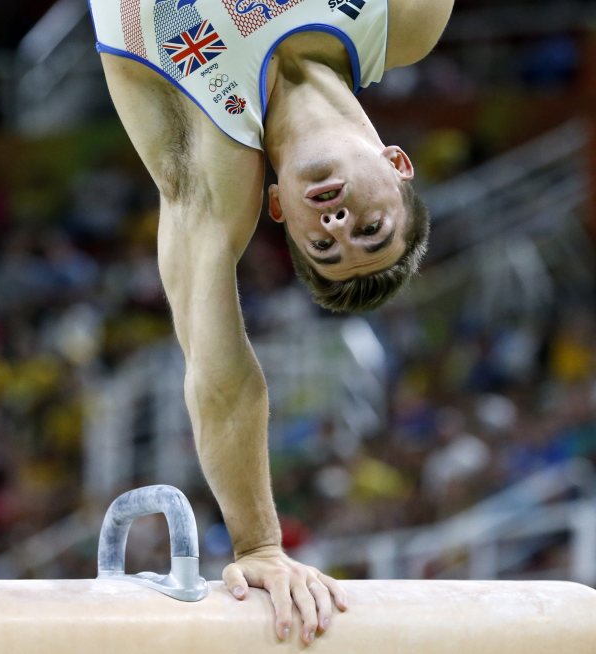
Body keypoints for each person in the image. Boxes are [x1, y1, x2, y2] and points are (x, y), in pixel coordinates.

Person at [89, 0, 454, 645]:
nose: (339, 228)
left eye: (324, 247)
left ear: (280, 206)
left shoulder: (217, 172)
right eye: (372, 231)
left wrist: (259, 545)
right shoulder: (406, 23)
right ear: (399, 168)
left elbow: (219, 376)